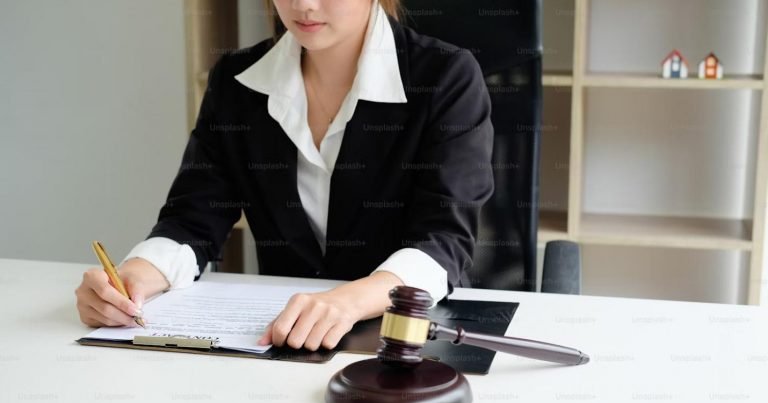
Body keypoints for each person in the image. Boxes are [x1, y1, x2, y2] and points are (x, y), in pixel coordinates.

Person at [75, 0, 494, 352]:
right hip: (282, 342)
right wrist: (138, 276)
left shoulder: (446, 76)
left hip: (410, 339)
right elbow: (192, 218)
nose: (303, 5)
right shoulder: (237, 83)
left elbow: (444, 239)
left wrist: (347, 301)